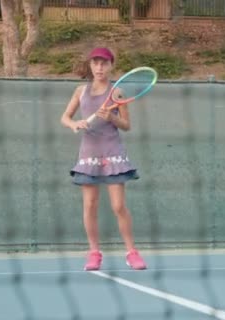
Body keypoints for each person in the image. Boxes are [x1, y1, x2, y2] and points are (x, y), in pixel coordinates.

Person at [60, 47, 146, 271]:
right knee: (89, 205)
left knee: (118, 206)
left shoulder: (117, 93)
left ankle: (131, 252)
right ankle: (94, 253)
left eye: (104, 63)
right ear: (90, 65)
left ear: (111, 66)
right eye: (96, 63)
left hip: (112, 152)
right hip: (88, 154)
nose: (99, 67)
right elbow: (65, 117)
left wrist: (111, 117)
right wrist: (74, 124)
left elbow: (126, 126)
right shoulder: (80, 91)